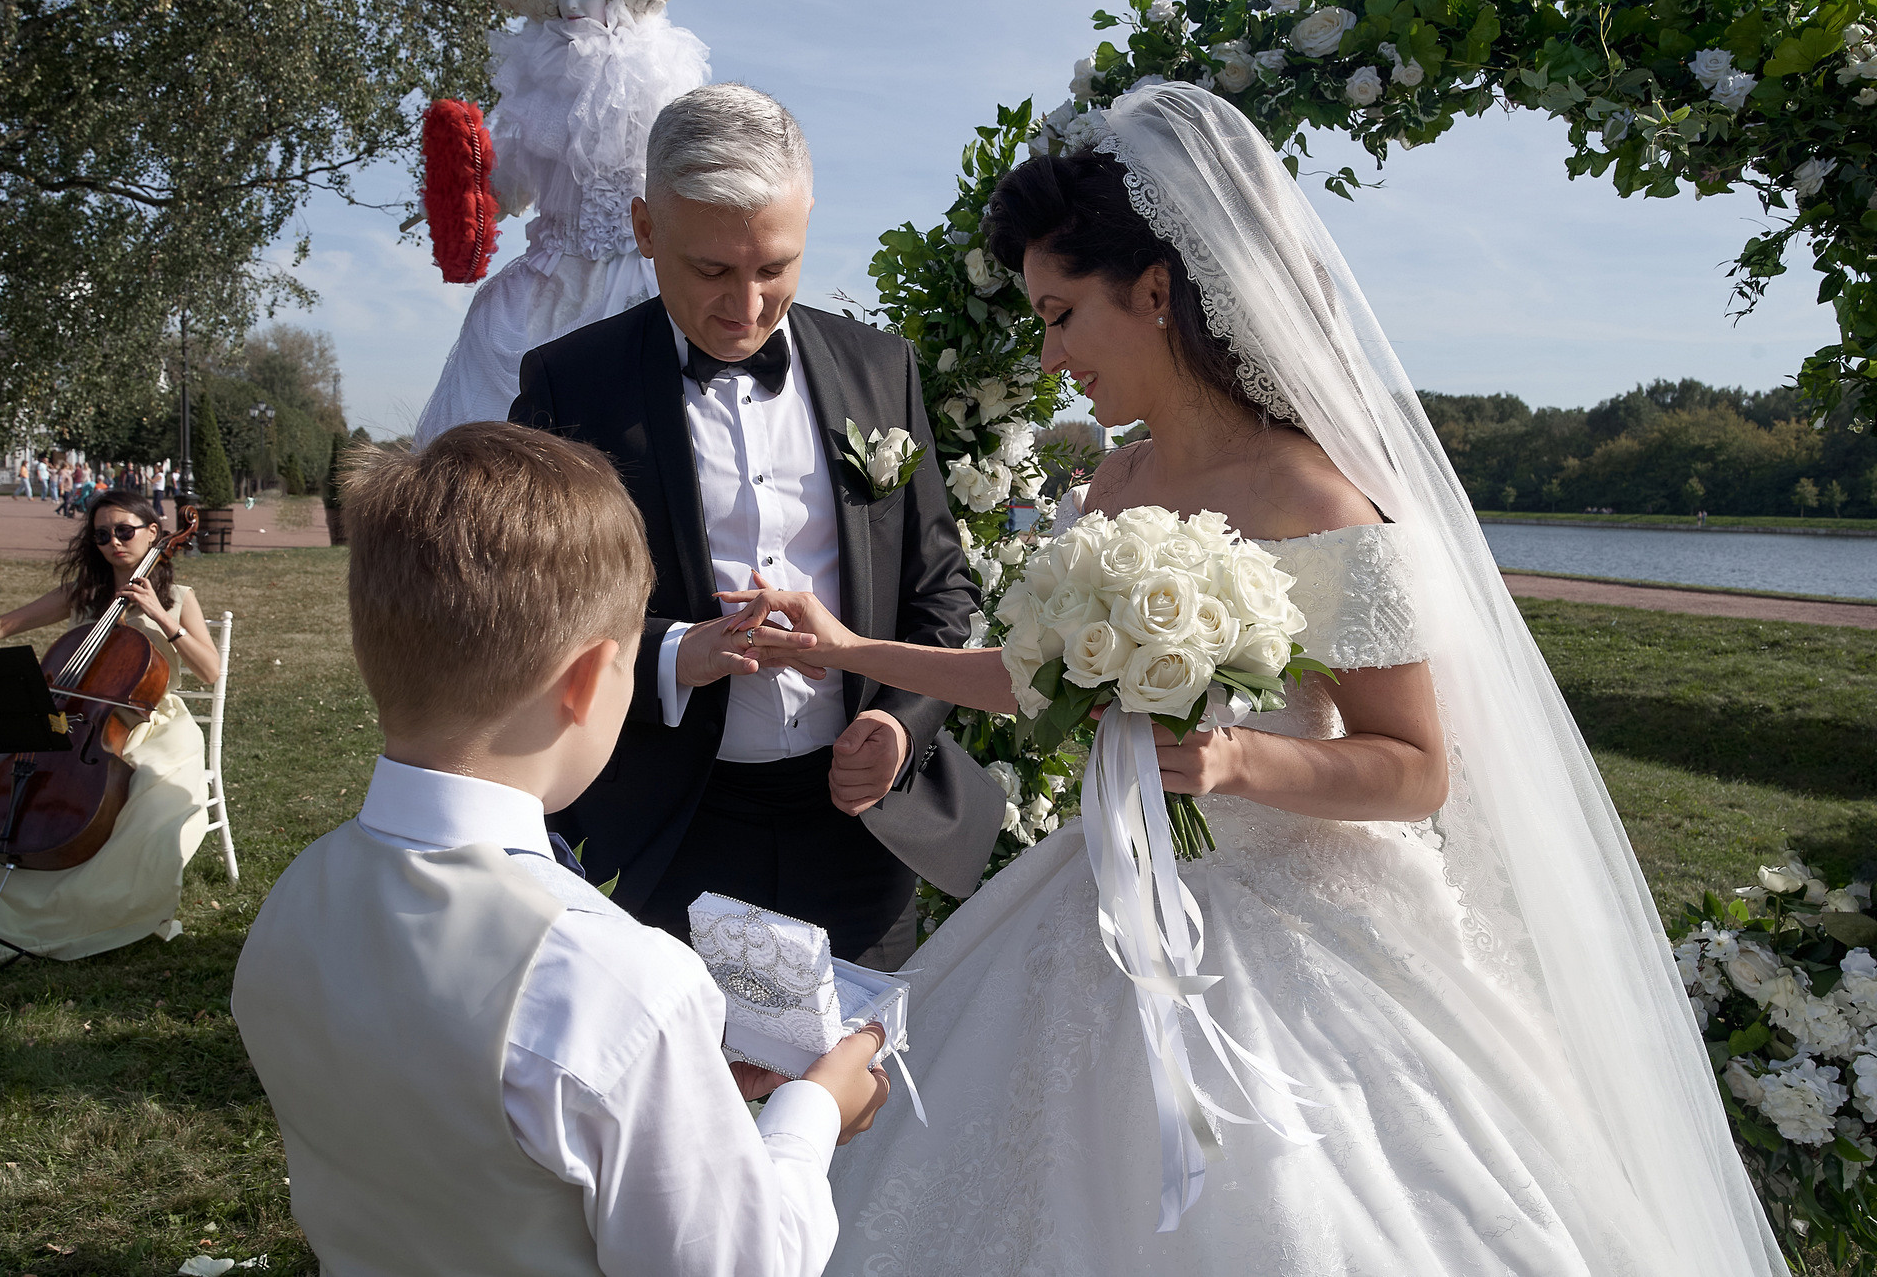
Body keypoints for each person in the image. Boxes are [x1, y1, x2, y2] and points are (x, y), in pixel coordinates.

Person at [726, 84, 1786, 1275]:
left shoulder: (1315, 495)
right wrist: (844, 648)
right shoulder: (1112, 485)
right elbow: (1038, 680)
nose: (1051, 356)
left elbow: (1414, 769)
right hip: (1105, 889)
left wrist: (1236, 759)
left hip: (1298, 927)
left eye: (1062, 315)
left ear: (1156, 292)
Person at [230, 422, 888, 1277]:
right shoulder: (620, 987)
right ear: (585, 681)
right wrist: (814, 1111)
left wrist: (677, 1101)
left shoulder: (292, 903)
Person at [507, 84, 1005, 969]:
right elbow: (533, 610)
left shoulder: (879, 368)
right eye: (712, 271)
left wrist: (899, 726)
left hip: (861, 829)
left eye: (775, 267)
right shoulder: (569, 386)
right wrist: (674, 654)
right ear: (646, 229)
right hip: (672, 825)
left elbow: (940, 588)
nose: (746, 304)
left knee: (865, 1055)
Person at [413, 0, 710, 446]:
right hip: (552, 269)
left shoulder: (648, 75)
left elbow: (674, 173)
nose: (570, 3)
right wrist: (459, 199)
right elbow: (511, 186)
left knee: (632, 381)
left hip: (629, 266)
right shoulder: (539, 83)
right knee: (497, 332)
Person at [0, 491, 218, 973]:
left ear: (152, 533)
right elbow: (7, 623)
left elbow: (211, 670)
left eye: (124, 531)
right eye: (101, 534)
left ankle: (101, 914)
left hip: (150, 719)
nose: (113, 542)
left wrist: (161, 616)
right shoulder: (85, 592)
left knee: (151, 787)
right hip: (75, 717)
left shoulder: (178, 597)